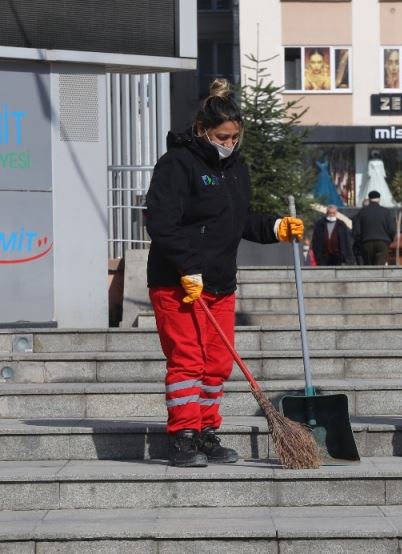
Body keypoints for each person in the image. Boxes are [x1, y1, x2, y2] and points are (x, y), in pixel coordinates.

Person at [145, 79, 304, 468]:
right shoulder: (177, 164)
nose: (229, 143)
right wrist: (187, 267)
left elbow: (238, 220)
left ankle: (205, 430)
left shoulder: (235, 168)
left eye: (234, 137)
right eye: (222, 136)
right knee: (187, 359)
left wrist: (275, 228)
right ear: (202, 129)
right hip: (178, 282)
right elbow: (161, 222)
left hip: (220, 282)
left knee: (217, 363)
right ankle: (182, 435)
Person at [352, 191, 396, 265]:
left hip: (366, 243)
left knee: (369, 267)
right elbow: (391, 230)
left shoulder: (362, 212)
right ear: (379, 199)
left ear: (369, 199)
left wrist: (361, 242)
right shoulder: (386, 212)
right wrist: (389, 240)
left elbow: (356, 231)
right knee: (379, 268)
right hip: (382, 242)